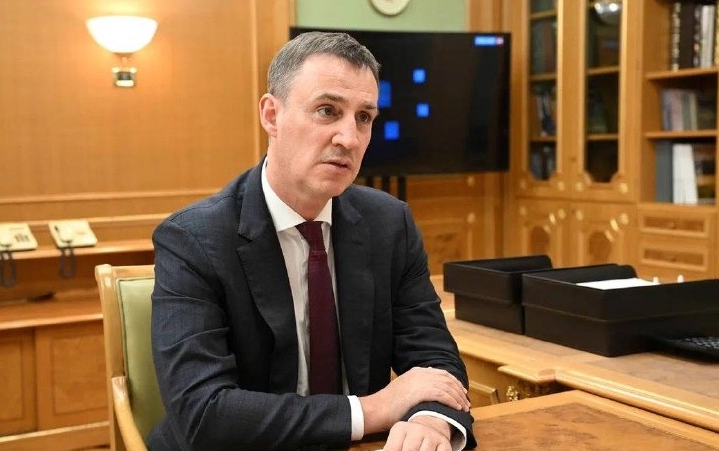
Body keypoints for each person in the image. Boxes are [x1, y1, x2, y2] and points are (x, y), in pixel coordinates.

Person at [149, 31, 476, 451]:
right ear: (272, 115)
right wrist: (373, 409)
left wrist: (430, 421)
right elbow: (203, 414)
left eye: (364, 117)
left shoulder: (389, 224)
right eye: (327, 111)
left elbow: (434, 360)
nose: (350, 139)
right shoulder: (193, 239)